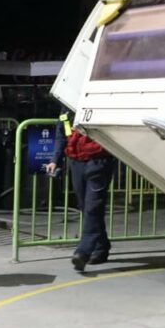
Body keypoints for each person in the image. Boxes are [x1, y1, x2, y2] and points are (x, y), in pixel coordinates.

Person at [45, 110, 117, 272]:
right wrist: (55, 160)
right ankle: (101, 247)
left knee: (92, 208)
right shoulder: (66, 111)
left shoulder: (99, 104)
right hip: (77, 163)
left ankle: (83, 251)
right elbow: (62, 134)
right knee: (86, 207)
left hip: (99, 162)